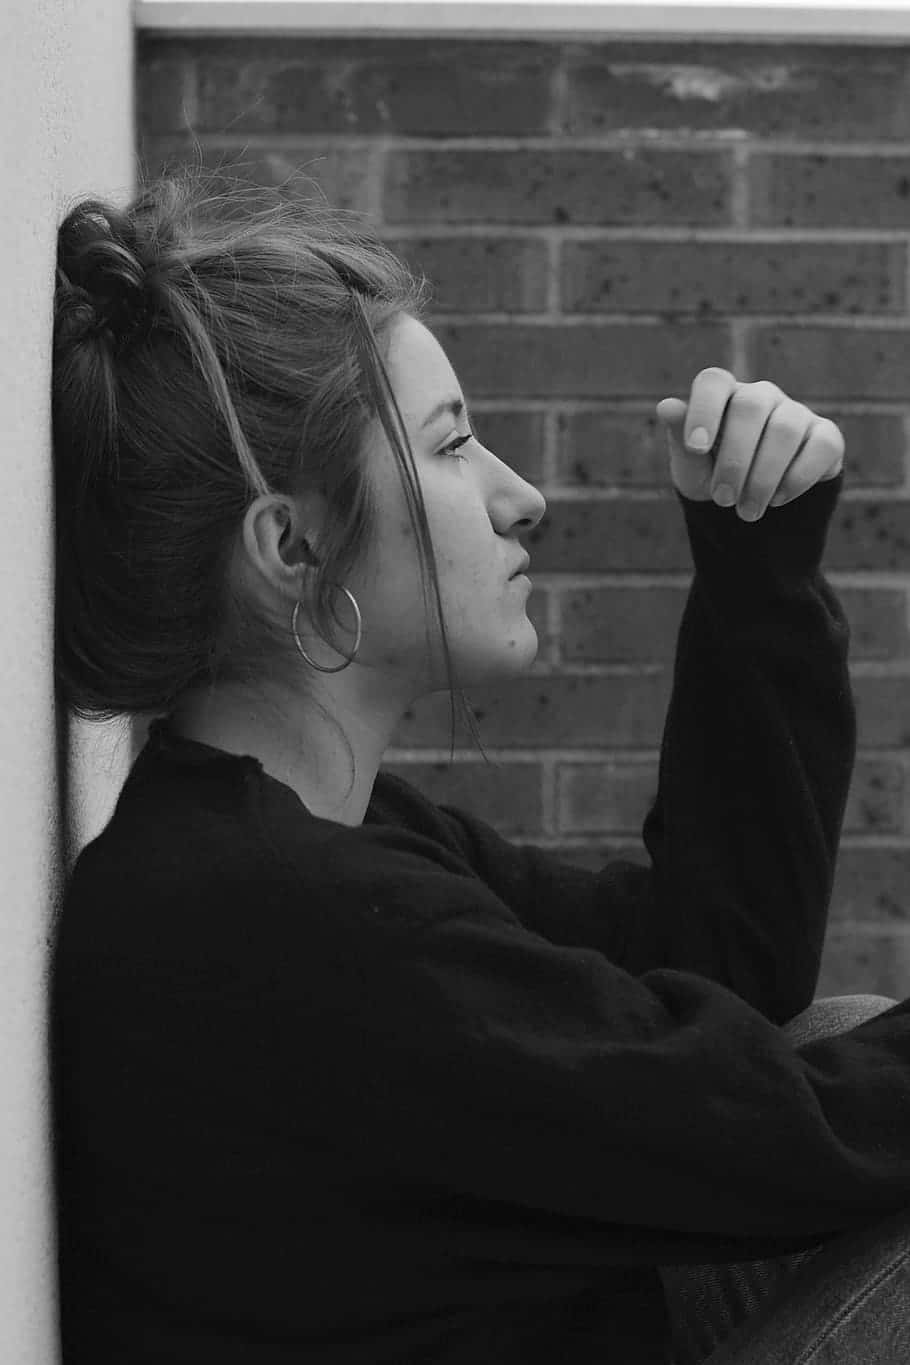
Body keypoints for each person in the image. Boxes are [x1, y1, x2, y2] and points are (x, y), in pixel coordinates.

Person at [49, 166, 910, 1365]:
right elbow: (774, 1135)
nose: (522, 497)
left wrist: (756, 565)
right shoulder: (276, 921)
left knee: (842, 1031)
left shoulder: (301, 849)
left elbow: (716, 968)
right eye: (452, 445)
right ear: (293, 545)